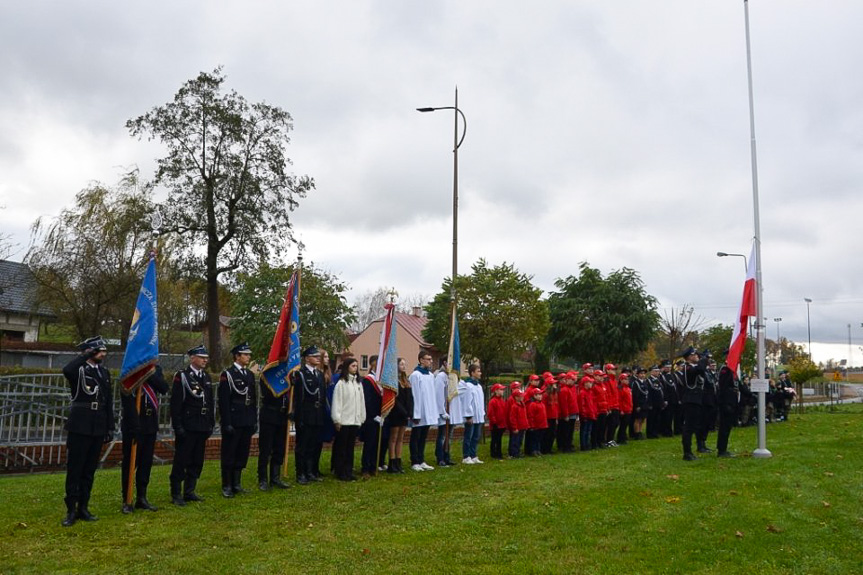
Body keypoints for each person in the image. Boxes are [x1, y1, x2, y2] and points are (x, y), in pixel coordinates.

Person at [61, 336, 115, 527]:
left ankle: (83, 506)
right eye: (99, 351)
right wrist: (85, 355)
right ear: (90, 352)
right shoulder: (79, 370)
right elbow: (67, 370)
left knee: (89, 470)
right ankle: (71, 509)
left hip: (97, 425)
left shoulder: (104, 372)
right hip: (80, 425)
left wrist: (110, 426)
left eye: (103, 351)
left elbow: (108, 401)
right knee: (75, 468)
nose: (103, 354)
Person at [170, 345, 215, 505]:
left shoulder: (206, 377)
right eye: (202, 357)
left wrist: (211, 422)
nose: (205, 360)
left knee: (197, 460)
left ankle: (189, 491)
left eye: (206, 357)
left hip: (202, 425)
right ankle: (176, 493)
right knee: (182, 460)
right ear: (192, 358)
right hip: (188, 425)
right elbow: (175, 404)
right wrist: (178, 426)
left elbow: (209, 402)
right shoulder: (182, 376)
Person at [121, 364, 168, 514]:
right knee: (130, 462)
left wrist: (149, 373)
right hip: (134, 424)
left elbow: (163, 388)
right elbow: (126, 398)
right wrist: (134, 425)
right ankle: (127, 499)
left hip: (150, 423)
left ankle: (142, 497)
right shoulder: (130, 370)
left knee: (146, 462)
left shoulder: (155, 370)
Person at [218, 342, 258, 498]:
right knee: (229, 452)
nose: (248, 357)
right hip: (234, 419)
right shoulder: (227, 375)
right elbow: (224, 402)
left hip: (246, 419)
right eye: (245, 354)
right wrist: (226, 422)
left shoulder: (249, 375)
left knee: (242, 452)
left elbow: (253, 400)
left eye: (249, 354)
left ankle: (237, 483)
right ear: (237, 356)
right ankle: (227, 484)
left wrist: (254, 420)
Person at [291, 346, 327, 484]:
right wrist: (298, 417)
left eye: (318, 356)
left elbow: (322, 397)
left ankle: (310, 471)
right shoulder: (300, 374)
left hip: (317, 415)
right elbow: (298, 398)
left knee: (314, 445)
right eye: (314, 356)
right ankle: (301, 473)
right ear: (306, 358)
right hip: (306, 415)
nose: (318, 358)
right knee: (302, 446)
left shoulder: (319, 374)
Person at [257, 361, 292, 492]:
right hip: (269, 415)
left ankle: (275, 477)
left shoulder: (285, 375)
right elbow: (269, 395)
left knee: (279, 448)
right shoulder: (266, 376)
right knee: (265, 449)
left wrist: (290, 382)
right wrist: (284, 382)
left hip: (282, 416)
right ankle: (262, 479)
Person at [330, 357, 365, 481]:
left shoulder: (358, 383)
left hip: (354, 421)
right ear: (347, 367)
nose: (355, 368)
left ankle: (348, 470)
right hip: (344, 421)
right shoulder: (341, 383)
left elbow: (361, 402)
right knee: (342, 447)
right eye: (353, 366)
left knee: (350, 448)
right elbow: (337, 402)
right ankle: (340, 471)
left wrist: (361, 417)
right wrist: (337, 419)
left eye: (356, 366)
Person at [409, 350, 438, 471]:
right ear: (421, 360)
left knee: (423, 437)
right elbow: (415, 395)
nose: (430, 361)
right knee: (416, 436)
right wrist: (416, 413)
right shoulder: (416, 375)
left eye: (431, 359)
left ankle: (421, 459)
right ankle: (415, 461)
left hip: (428, 411)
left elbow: (432, 395)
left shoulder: (430, 375)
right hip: (419, 411)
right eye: (428, 359)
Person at [680, 346, 710, 461]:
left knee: (695, 425)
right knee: (689, 427)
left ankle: (695, 448)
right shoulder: (687, 368)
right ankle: (687, 452)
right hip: (690, 399)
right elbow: (700, 369)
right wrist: (703, 358)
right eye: (694, 355)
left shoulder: (694, 367)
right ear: (689, 357)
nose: (697, 356)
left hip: (697, 399)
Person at [385, 358, 413, 473]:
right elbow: (395, 400)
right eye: (401, 364)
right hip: (396, 413)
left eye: (404, 364)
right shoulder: (393, 380)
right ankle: (392, 462)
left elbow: (410, 398)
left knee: (401, 438)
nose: (403, 366)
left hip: (405, 413)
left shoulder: (406, 380)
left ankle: (398, 461)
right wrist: (403, 411)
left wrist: (410, 412)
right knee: (393, 438)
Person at [360, 355, 385, 478]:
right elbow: (367, 400)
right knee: (369, 443)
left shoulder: (381, 379)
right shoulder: (368, 380)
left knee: (377, 442)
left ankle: (373, 466)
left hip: (381, 416)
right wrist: (374, 415)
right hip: (371, 417)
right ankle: (365, 468)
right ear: (373, 364)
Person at [459, 363, 486, 464]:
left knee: (476, 436)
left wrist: (482, 413)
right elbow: (467, 402)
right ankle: (466, 456)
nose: (480, 373)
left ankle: (473, 454)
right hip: (472, 416)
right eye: (478, 371)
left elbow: (480, 401)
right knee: (468, 436)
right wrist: (469, 416)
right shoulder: (468, 386)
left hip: (479, 416)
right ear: (472, 373)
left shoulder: (478, 386)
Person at [434, 358, 455, 467]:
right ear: (444, 363)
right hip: (444, 412)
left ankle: (447, 456)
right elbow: (439, 395)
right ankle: (440, 457)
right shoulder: (441, 376)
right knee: (442, 435)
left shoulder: (452, 376)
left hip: (452, 411)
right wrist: (442, 411)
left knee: (449, 436)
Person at [716, 359, 739, 457]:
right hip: (726, 402)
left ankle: (723, 448)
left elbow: (738, 385)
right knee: (724, 427)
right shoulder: (725, 369)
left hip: (732, 401)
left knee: (728, 427)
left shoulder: (733, 370)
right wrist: (725, 403)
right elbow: (723, 387)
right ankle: (721, 450)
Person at [659, 360, 679, 437]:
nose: (668, 369)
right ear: (664, 368)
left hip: (673, 398)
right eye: (667, 367)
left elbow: (675, 388)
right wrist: (665, 399)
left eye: (670, 367)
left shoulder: (673, 375)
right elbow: (663, 389)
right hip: (667, 399)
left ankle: (670, 430)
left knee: (671, 416)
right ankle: (666, 431)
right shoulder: (661, 376)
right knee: (666, 416)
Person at [487, 383, 507, 460]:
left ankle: (499, 453)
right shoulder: (493, 401)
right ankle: (494, 453)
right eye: (501, 389)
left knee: (499, 439)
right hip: (496, 424)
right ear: (496, 391)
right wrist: (494, 422)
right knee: (495, 439)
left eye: (502, 389)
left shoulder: (502, 400)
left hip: (501, 424)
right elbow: (490, 413)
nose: (503, 391)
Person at [526, 387, 548, 456]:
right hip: (536, 426)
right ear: (534, 396)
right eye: (538, 394)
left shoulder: (542, 404)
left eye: (541, 394)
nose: (540, 396)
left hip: (542, 425)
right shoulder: (532, 405)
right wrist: (532, 426)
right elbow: (531, 416)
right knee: (534, 439)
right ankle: (534, 450)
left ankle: (538, 450)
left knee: (539, 439)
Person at [507, 390, 528, 458]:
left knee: (520, 440)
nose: (522, 397)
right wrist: (514, 427)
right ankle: (514, 453)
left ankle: (518, 451)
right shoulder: (514, 406)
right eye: (520, 396)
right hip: (517, 427)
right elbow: (513, 418)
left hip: (522, 426)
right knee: (515, 440)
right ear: (516, 397)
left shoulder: (523, 404)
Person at [578, 376, 597, 451]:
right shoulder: (582, 393)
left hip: (590, 414)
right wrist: (584, 415)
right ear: (585, 383)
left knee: (588, 430)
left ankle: (587, 444)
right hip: (586, 415)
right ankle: (583, 445)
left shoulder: (590, 392)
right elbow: (582, 405)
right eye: (590, 382)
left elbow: (591, 404)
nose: (591, 384)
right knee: (584, 431)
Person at [630, 367, 649, 440]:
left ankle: (640, 431)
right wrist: (637, 405)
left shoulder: (644, 382)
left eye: (644, 373)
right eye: (641, 373)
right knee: (637, 419)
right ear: (637, 374)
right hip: (639, 404)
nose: (643, 375)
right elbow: (635, 395)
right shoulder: (636, 383)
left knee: (642, 419)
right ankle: (636, 433)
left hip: (644, 403)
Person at [616, 373, 633, 445]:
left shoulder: (628, 388)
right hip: (624, 409)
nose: (627, 380)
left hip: (628, 409)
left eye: (627, 379)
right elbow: (619, 400)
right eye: (625, 379)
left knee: (625, 425)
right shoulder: (620, 388)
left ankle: (623, 437)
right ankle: (620, 438)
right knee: (622, 425)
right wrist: (621, 410)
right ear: (621, 380)